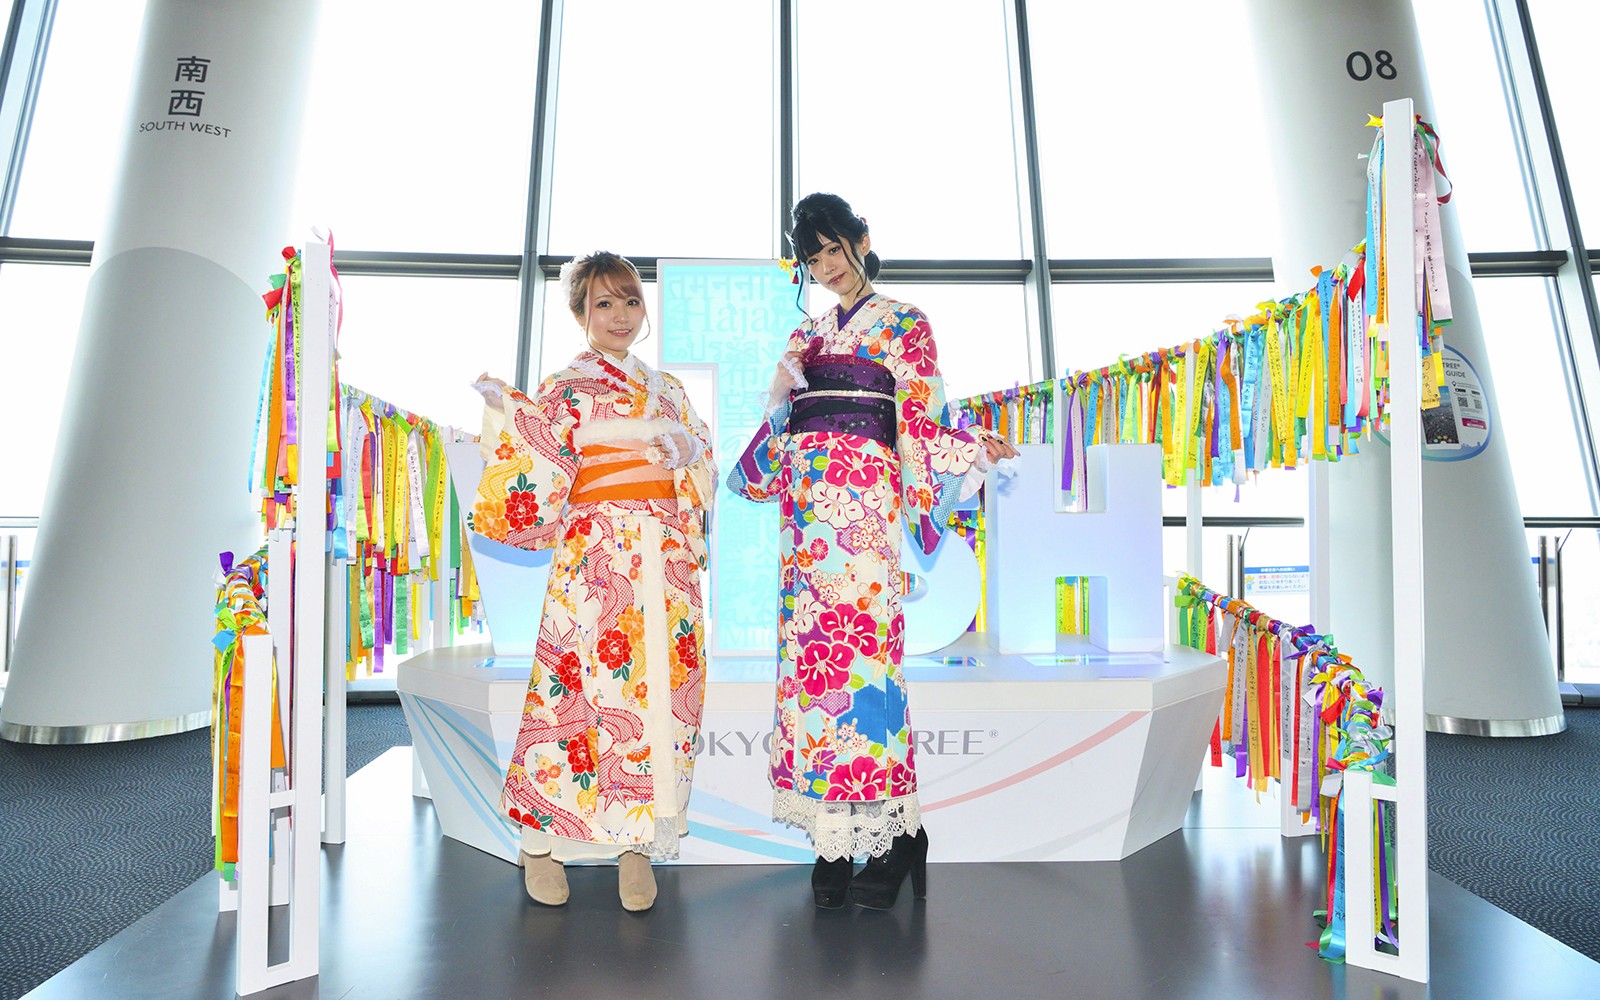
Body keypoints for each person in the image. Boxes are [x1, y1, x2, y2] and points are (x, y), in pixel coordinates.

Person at [726, 194, 1017, 909]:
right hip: (807, 527)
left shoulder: (905, 323)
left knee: (867, 675)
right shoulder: (805, 340)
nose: (827, 267)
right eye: (814, 257)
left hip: (864, 516)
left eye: (835, 249)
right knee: (810, 677)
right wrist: (775, 401)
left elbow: (919, 417)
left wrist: (972, 447)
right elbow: (779, 432)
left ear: (861, 240)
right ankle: (831, 842)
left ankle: (892, 838)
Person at [469, 251, 715, 912]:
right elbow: (536, 452)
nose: (620, 315)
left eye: (630, 301)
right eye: (604, 303)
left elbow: (701, 453)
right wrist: (507, 412)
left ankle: (638, 845)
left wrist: (688, 452)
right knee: (572, 690)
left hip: (665, 558)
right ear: (581, 313)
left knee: (662, 696)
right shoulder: (565, 386)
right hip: (598, 554)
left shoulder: (669, 391)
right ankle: (539, 842)